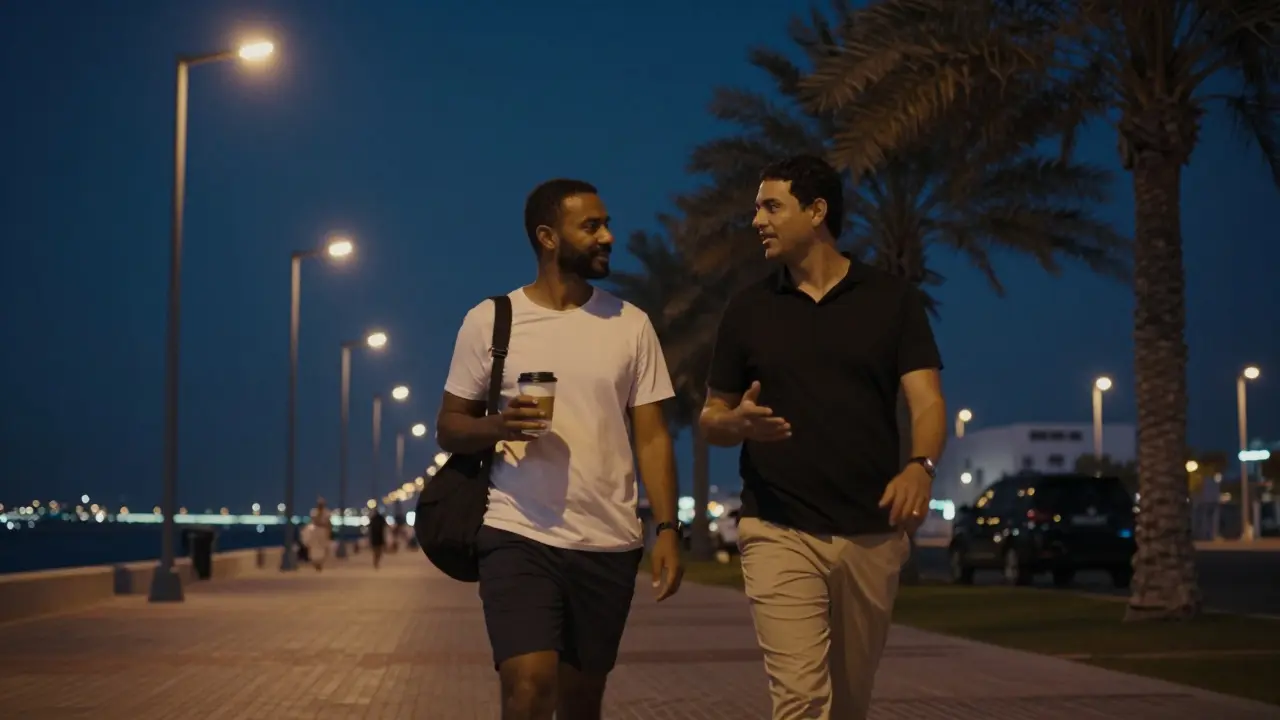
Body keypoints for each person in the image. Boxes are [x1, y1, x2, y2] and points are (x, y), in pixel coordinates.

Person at [698, 155, 946, 720]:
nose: (756, 220)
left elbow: (927, 401)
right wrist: (735, 424)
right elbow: (711, 415)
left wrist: (919, 467)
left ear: (816, 211)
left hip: (870, 534)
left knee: (849, 701)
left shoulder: (892, 300)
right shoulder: (749, 309)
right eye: (756, 208)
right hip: (777, 527)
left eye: (771, 206)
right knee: (802, 700)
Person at [436, 178, 684, 720]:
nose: (608, 236)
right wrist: (499, 425)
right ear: (548, 237)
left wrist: (667, 529)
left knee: (580, 701)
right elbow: (450, 427)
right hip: (517, 530)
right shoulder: (491, 320)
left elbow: (652, 435)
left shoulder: (630, 324)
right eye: (591, 226)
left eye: (606, 223)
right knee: (527, 688)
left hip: (607, 541)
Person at [306, 497, 333, 571]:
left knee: (323, 548)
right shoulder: (314, 512)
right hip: (316, 532)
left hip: (323, 532)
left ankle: (320, 563)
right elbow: (314, 521)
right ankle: (316, 563)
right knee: (314, 548)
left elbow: (328, 523)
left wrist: (329, 532)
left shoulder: (327, 512)